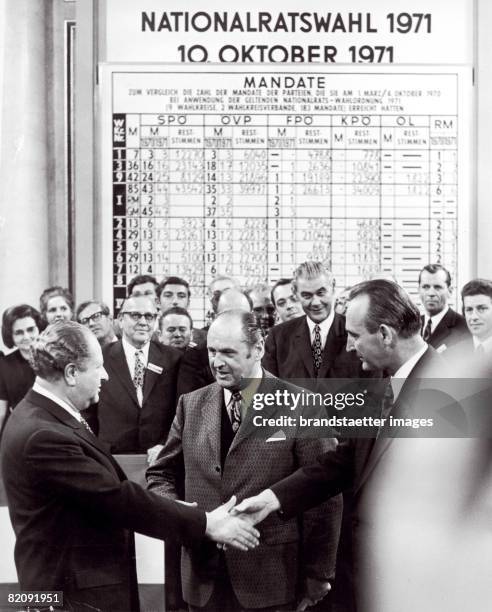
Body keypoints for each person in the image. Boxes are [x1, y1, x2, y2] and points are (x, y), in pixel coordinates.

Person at [0, 321, 259, 612]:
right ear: (71, 373)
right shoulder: (43, 434)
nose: (105, 375)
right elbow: (117, 499)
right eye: (97, 367)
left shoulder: (40, 417)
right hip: (70, 597)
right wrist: (206, 523)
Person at [234, 279, 453, 611]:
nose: (350, 347)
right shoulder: (382, 380)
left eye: (354, 336)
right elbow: (348, 459)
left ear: (385, 334)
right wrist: (271, 499)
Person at [147, 310, 342, 612]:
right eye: (211, 351)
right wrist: (183, 516)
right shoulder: (191, 404)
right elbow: (161, 474)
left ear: (258, 349)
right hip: (201, 578)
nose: (216, 362)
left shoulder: (302, 405)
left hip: (273, 578)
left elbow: (324, 496)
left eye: (228, 352)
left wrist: (318, 572)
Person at [96, 296, 181, 464]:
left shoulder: (174, 359)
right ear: (120, 320)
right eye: (135, 315)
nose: (143, 322)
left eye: (149, 316)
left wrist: (166, 444)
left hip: (159, 458)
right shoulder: (100, 357)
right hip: (111, 460)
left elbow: (181, 411)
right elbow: (87, 411)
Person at [263, 261, 364, 379]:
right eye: (307, 296)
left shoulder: (357, 331)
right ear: (296, 294)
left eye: (321, 293)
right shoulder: (278, 337)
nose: (315, 302)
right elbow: (267, 390)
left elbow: (372, 389)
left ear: (333, 287)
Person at [0, 304, 42, 434]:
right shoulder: (4, 365)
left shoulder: (55, 359)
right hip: (19, 431)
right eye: (19, 332)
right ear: (10, 336)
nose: (26, 337)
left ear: (39, 328)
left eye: (30, 329)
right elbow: (1, 411)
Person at [418, 264, 469, 352]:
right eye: (425, 287)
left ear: (450, 291)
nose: (431, 293)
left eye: (437, 287)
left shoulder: (464, 328)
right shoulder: (411, 326)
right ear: (419, 290)